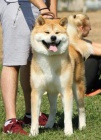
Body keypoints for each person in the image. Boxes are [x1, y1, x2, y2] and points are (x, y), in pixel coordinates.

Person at [0, 0, 57, 135]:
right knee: (13, 61)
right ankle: (10, 122)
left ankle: (31, 114)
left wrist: (53, 13)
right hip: (18, 5)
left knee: (31, 60)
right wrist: (43, 7)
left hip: (38, 7)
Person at [72, 13, 101, 96]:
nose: (91, 28)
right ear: (82, 28)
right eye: (89, 26)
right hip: (74, 85)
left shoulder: (77, 40)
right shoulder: (75, 43)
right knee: (97, 58)